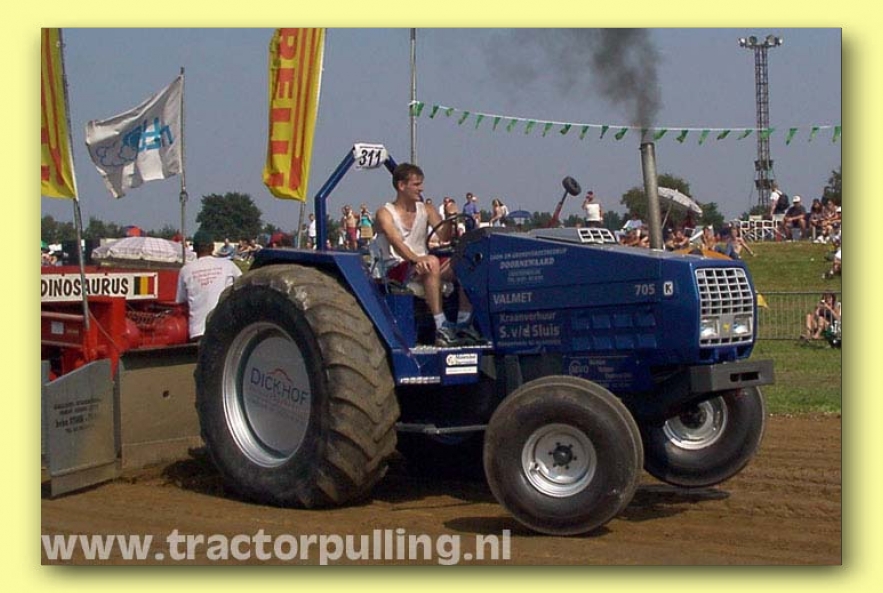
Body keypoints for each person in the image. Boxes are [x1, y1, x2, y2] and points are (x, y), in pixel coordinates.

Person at [374, 163, 478, 346]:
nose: (421, 188)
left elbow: (444, 236)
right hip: (396, 268)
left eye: (421, 184)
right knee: (431, 262)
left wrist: (450, 217)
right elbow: (397, 243)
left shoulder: (427, 209)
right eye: (416, 184)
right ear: (401, 185)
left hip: (422, 264)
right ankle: (441, 326)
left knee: (467, 262)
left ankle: (463, 323)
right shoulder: (385, 213)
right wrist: (417, 259)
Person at [176, 229, 242, 341]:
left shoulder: (186, 270)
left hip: (198, 331)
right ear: (212, 247)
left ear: (194, 248)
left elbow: (181, 301)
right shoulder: (228, 265)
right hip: (225, 327)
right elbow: (243, 284)